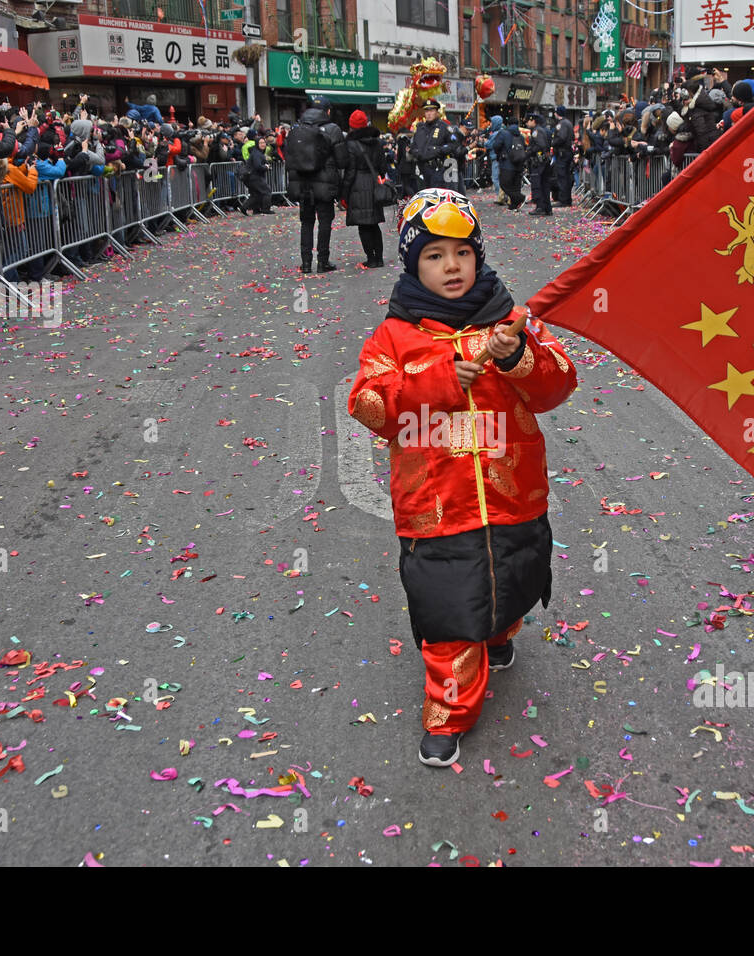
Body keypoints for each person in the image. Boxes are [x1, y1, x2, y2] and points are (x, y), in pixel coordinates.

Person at [346, 187, 577, 767]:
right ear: (411, 263)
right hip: (436, 506)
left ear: (478, 255)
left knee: (512, 576)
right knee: (449, 606)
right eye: (433, 255)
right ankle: (449, 712)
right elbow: (370, 405)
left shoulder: (510, 318)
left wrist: (514, 355)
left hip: (514, 495)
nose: (451, 266)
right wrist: (442, 381)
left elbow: (558, 384)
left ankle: (499, 635)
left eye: (461, 252)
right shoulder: (393, 336)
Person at [285, 98, 347, 273]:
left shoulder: (298, 128)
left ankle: (305, 263)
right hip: (325, 183)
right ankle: (322, 261)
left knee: (306, 222)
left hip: (303, 183)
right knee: (325, 222)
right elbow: (342, 160)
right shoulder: (333, 129)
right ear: (327, 111)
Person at [341, 110, 387, 268]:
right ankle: (379, 258)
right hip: (373, 184)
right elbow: (383, 167)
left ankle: (371, 258)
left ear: (352, 126)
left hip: (358, 185)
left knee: (364, 226)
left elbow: (350, 171)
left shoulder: (351, 145)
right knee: (374, 224)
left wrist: (344, 193)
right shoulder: (377, 142)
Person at [412, 101, 456, 189]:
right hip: (422, 170)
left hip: (439, 170)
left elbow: (453, 145)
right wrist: (416, 152)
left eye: (431, 111)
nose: (429, 114)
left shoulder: (444, 127)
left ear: (437, 112)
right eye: (426, 111)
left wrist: (438, 150)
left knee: (438, 199)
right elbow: (413, 146)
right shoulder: (420, 128)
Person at [525, 112, 552, 216]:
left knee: (538, 185)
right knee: (545, 185)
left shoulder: (536, 131)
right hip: (543, 161)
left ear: (533, 120)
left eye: (528, 121)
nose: (527, 123)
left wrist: (529, 151)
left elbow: (540, 145)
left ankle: (540, 206)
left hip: (538, 162)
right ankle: (547, 208)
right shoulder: (542, 130)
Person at [552, 106, 574, 207]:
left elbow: (561, 137)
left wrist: (553, 142)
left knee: (562, 177)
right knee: (565, 176)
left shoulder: (562, 124)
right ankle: (566, 199)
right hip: (566, 152)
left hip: (562, 153)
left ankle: (563, 199)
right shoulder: (568, 123)